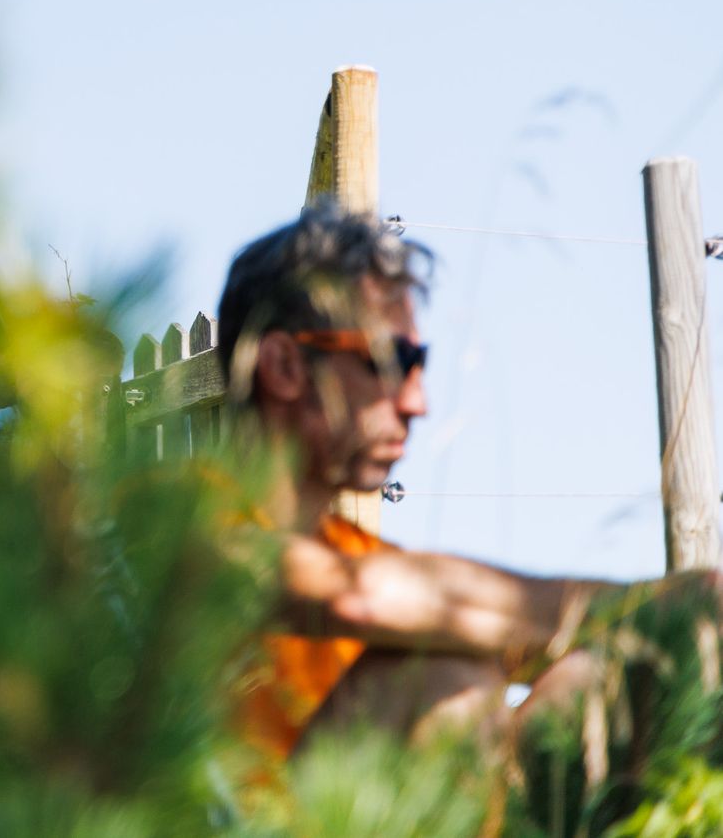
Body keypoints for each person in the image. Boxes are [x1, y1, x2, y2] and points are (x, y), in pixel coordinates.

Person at [216, 203, 694, 757]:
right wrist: (657, 608)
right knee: (440, 673)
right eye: (391, 362)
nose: (418, 402)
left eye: (421, 367)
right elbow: (354, 599)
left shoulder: (358, 552)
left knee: (595, 674)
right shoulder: (179, 513)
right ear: (284, 367)